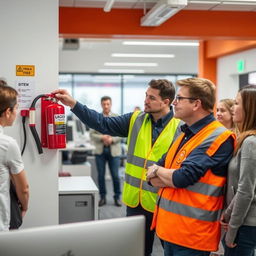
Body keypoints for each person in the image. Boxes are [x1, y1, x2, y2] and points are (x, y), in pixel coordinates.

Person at [53, 79, 182, 256]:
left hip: (165, 203)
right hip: (136, 203)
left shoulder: (181, 127)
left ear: (166, 102)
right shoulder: (135, 119)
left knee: (172, 251)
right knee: (137, 251)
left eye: (151, 97)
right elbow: (101, 123)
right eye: (146, 95)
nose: (145, 100)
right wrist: (73, 104)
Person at [146, 77, 235, 256]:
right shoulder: (184, 132)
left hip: (192, 235)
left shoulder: (217, 137)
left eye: (179, 99)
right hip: (169, 229)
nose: (174, 103)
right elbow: (152, 178)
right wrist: (159, 172)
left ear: (196, 104)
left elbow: (182, 178)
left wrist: (157, 171)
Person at [220, 85, 256, 256]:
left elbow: (245, 191)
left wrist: (232, 229)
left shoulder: (251, 142)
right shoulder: (244, 139)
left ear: (249, 108)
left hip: (244, 225)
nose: (232, 108)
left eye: (236, 103)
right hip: (240, 221)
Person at [0, 83, 29, 231]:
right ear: (7, 112)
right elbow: (23, 188)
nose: (17, 112)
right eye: (16, 108)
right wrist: (24, 206)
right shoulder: (7, 144)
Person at [90, 96, 122, 207]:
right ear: (101, 105)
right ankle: (102, 197)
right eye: (104, 104)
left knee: (115, 176)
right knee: (101, 176)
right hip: (100, 151)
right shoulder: (97, 117)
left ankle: (117, 197)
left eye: (108, 104)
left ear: (111, 104)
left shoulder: (117, 117)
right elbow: (92, 134)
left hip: (114, 151)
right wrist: (102, 137)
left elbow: (123, 134)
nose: (106, 106)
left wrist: (112, 139)